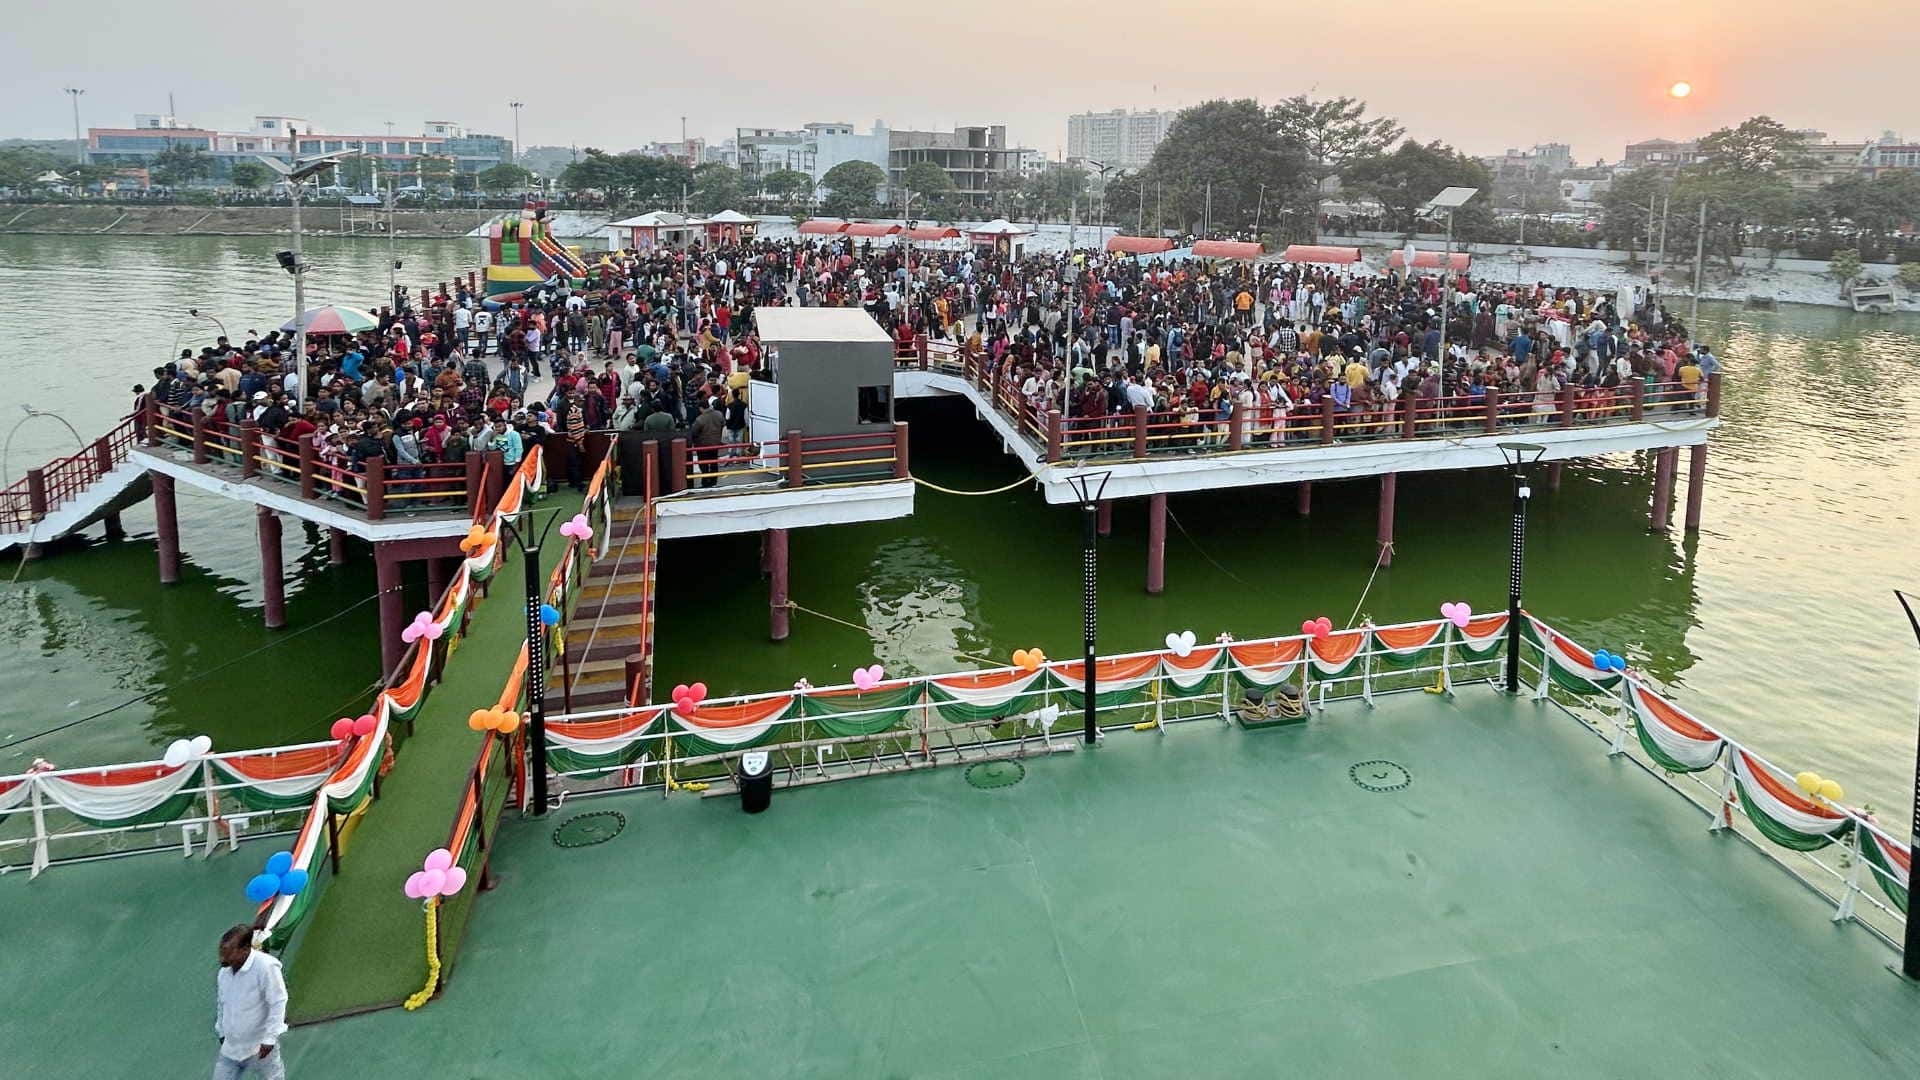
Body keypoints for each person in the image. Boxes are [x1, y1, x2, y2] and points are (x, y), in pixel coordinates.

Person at [212, 922, 288, 1079]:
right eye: (222, 953)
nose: (223, 958)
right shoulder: (224, 973)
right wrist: (221, 1030)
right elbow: (222, 1003)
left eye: (228, 953)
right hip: (231, 1050)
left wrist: (270, 1039)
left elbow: (278, 1002)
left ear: (245, 949)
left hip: (260, 1048)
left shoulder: (266, 967)